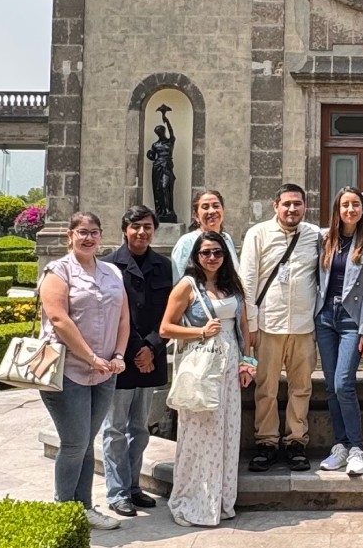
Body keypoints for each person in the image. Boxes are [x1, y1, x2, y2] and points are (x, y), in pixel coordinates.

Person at [39, 211, 129, 530]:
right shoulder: (58, 271)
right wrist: (91, 357)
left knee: (86, 441)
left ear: (101, 236)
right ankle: (64, 511)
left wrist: (118, 354)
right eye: (82, 232)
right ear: (70, 236)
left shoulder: (112, 273)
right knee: (74, 442)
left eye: (93, 232)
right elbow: (59, 319)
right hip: (66, 369)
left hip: (104, 371)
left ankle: (84, 508)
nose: (88, 237)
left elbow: (123, 318)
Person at [159, 231, 256, 527]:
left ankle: (220, 501)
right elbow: (165, 328)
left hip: (229, 364)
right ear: (196, 256)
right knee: (200, 433)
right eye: (206, 253)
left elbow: (243, 327)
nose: (212, 258)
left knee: (226, 432)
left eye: (217, 252)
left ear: (225, 256)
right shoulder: (187, 286)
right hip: (202, 364)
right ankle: (193, 500)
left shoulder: (231, 286)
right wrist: (200, 331)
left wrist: (247, 362)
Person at [240, 183, 321, 472]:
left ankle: (297, 441)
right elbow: (247, 281)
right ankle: (266, 442)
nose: (292, 209)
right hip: (268, 325)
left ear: (305, 207)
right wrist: (250, 324)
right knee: (267, 388)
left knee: (302, 387)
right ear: (276, 206)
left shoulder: (314, 235)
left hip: (303, 325)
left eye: (297, 204)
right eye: (286, 204)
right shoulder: (258, 234)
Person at [100, 205, 173, 518]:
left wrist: (153, 347)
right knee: (114, 428)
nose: (142, 232)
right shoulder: (108, 266)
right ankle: (116, 492)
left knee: (140, 429)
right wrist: (135, 351)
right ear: (124, 229)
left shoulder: (164, 266)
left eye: (147, 227)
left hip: (151, 358)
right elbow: (110, 314)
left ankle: (132, 487)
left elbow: (171, 313)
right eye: (135, 227)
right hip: (120, 358)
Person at [315, 188, 363, 476]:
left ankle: (356, 449)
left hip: (352, 319)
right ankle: (340, 446)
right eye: (345, 205)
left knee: (344, 383)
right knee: (330, 386)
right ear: (337, 209)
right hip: (325, 316)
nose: (351, 209)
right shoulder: (323, 239)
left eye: (356, 205)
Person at [171, 190, 239, 280]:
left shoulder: (227, 239)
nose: (212, 211)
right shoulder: (186, 242)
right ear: (196, 215)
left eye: (216, 206)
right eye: (205, 207)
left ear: (223, 210)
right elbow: (178, 280)